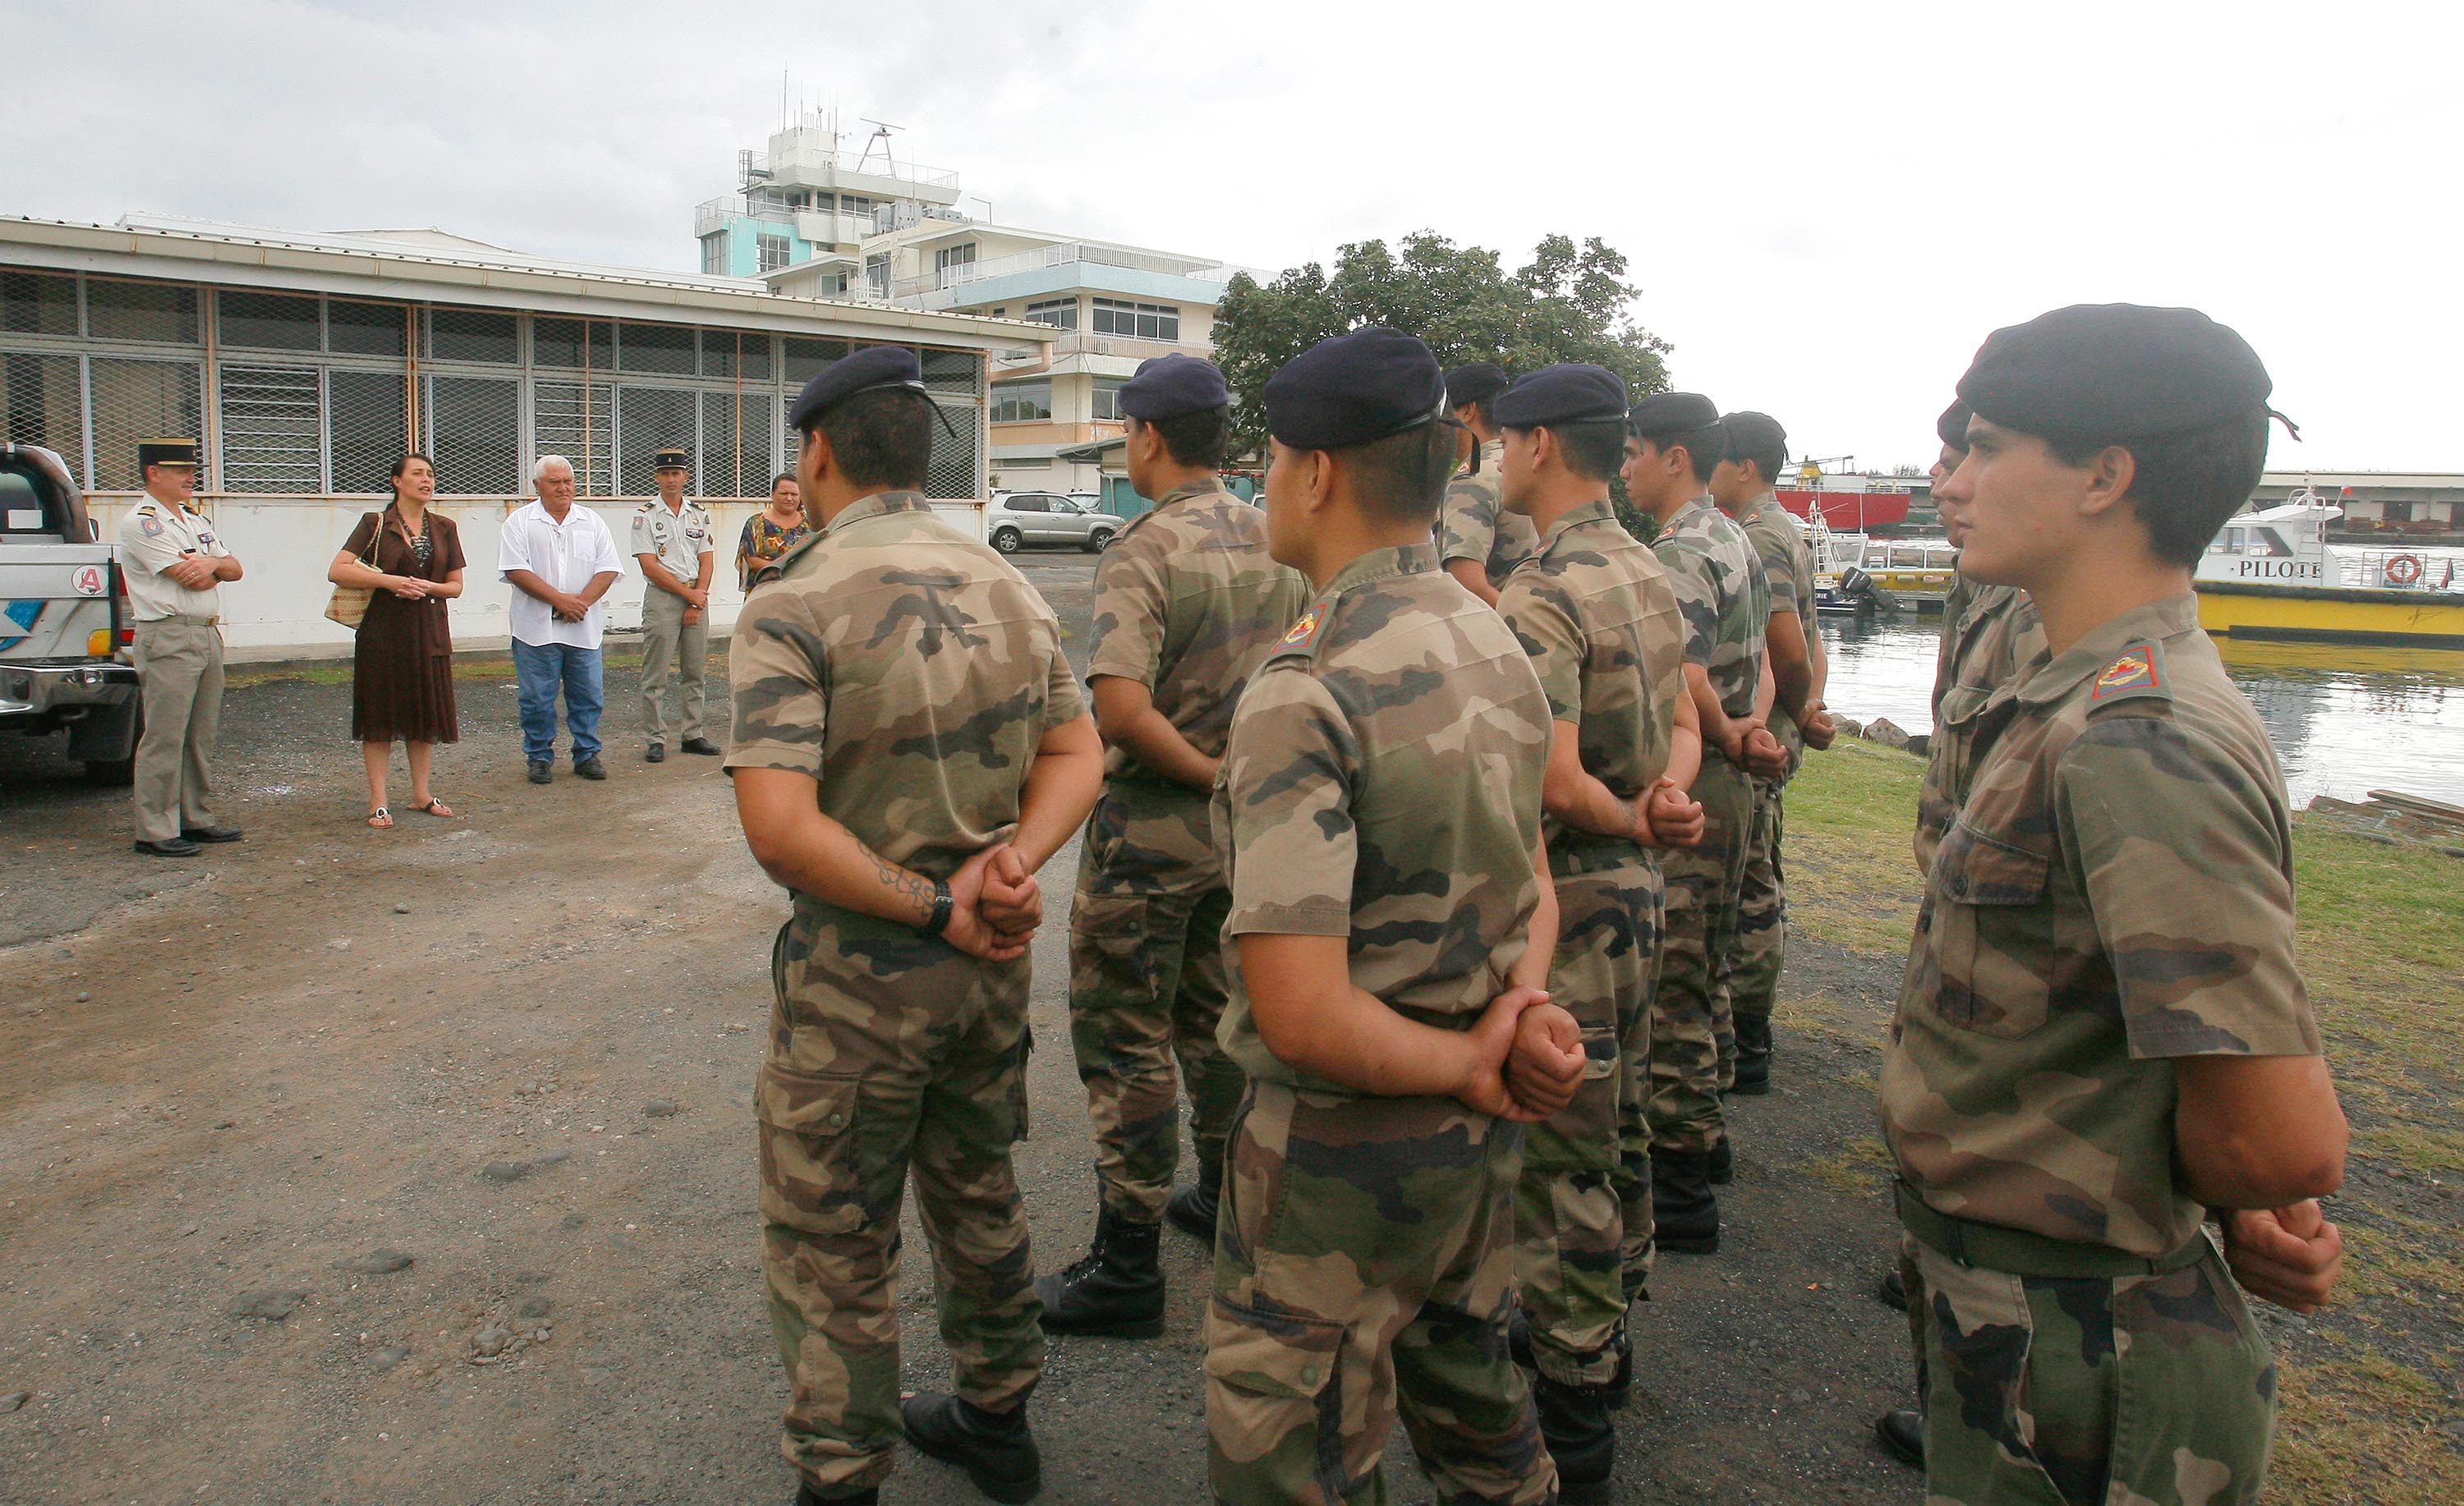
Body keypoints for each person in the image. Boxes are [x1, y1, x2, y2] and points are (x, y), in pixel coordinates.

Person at [1881, 304, 2348, 1506]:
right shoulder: (2080, 693)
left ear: (2106, 475)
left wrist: (2240, 1192)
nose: (1956, 475)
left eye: (1988, 445)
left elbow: (2277, 1138)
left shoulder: (2141, 733)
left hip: (2090, 1347)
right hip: (2025, 1316)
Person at [1202, 325, 1587, 1505]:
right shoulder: (1495, 636)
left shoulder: (1308, 688)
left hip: (1338, 1154)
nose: (1265, 483)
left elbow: (1306, 1014)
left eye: (1270, 459)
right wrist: (1514, 1017)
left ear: (1316, 472)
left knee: (1298, 1445)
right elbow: (1535, 880)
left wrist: (1476, 1061)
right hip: (1474, 1140)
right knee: (1473, 1394)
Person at [725, 344, 1104, 1506]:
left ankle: (840, 1477)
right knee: (977, 1188)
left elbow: (782, 829)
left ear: (820, 451)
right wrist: (1010, 865)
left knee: (834, 1234)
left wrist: (936, 903)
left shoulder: (792, 599)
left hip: (863, 979)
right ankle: (1000, 1421)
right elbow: (1079, 749)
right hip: (988, 966)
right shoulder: (1010, 586)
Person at [1036, 354, 1310, 1338]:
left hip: (1153, 831)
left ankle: (1126, 1264)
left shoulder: (1144, 548)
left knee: (1125, 1039)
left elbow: (1119, 705)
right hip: (1238, 841)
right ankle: (1221, 1200)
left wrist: (1204, 774)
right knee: (1216, 1023)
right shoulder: (1271, 532)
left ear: (1145, 434)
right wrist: (1238, 785)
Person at [1490, 364, 1704, 1495]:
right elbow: (1683, 723)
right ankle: (1611, 1315)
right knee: (1616, 1112)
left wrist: (1625, 811)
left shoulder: (1545, 591)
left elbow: (1554, 779)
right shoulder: (1646, 571)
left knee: (1563, 1133)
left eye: (1503, 442)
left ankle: (1573, 1395)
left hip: (1572, 888)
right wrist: (1665, 802)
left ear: (1533, 446)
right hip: (1640, 887)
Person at [1620, 392, 1772, 1252]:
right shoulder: (1734, 535)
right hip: (1734, 781)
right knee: (1706, 969)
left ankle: (1678, 1187)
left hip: (1704, 780)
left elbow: (1687, 677)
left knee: (1673, 982)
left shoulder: (1680, 553)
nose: (1628, 467)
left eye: (1637, 451)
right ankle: (1703, 1141)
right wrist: (1753, 733)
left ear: (1674, 457)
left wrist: (1724, 737)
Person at [1709, 412, 1837, 1095]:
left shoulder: (1757, 535)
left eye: (1717, 462)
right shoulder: (1787, 528)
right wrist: (1810, 706)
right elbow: (1814, 645)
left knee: (1749, 889)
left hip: (1758, 733)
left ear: (1745, 467)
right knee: (1759, 877)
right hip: (1778, 724)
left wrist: (1793, 710)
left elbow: (1784, 644)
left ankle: (1747, 1039)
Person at [115, 438, 243, 857]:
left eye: (192, 471)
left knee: (199, 734)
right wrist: (212, 567)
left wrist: (211, 564)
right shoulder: (143, 523)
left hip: (205, 632)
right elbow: (195, 578)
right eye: (181, 471)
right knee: (165, 735)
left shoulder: (193, 519)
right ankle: (154, 829)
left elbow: (234, 569)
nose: (192, 478)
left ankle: (195, 818)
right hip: (168, 634)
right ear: (154, 473)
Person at [325, 453, 467, 829]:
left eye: (431, 474)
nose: (427, 480)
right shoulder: (375, 523)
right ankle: (378, 799)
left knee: (424, 714)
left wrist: (426, 586)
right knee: (380, 715)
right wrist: (391, 582)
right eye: (417, 474)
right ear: (397, 481)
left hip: (429, 631)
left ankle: (421, 793)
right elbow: (337, 569)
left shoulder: (444, 527)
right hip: (383, 634)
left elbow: (455, 586)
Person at [499, 456, 624, 784]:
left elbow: (608, 568)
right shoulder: (520, 522)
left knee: (588, 696)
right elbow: (515, 569)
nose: (563, 488)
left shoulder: (591, 522)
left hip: (583, 628)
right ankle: (539, 756)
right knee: (537, 698)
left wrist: (578, 605)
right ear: (537, 485)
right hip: (534, 629)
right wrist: (559, 601)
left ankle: (587, 753)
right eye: (554, 482)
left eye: (568, 481)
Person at [631, 445, 719, 763]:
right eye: (665, 473)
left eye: (676, 473)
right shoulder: (645, 516)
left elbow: (707, 559)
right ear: (657, 477)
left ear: (685, 476)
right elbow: (649, 565)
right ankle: (655, 738)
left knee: (695, 672)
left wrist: (698, 599)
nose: (671, 479)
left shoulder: (700, 514)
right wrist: (688, 596)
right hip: (664, 599)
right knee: (656, 675)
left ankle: (693, 733)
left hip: (697, 597)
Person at [1436, 360, 1538, 605]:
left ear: (1468, 411)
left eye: (1442, 416)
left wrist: (1525, 626)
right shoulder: (1524, 466)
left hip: (1502, 633)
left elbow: (1467, 585)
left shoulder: (1470, 479)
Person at [738, 472, 808, 592]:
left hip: (802, 592)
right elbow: (751, 560)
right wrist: (783, 571)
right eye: (784, 494)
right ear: (773, 494)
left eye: (794, 494)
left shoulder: (811, 525)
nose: (789, 498)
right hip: (764, 592)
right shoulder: (755, 524)